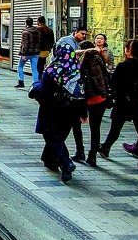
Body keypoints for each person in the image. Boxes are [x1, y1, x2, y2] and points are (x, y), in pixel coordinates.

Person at [29, 42, 86, 183]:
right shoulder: (76, 70)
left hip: (51, 109)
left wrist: (35, 89)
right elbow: (83, 92)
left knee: (51, 136)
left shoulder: (51, 71)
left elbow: (44, 92)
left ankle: (66, 162)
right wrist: (82, 112)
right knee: (58, 137)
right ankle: (50, 160)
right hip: (70, 110)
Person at [99, 40, 138, 172]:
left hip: (123, 101)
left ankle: (105, 148)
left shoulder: (123, 66)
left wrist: (112, 96)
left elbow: (115, 85)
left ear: (127, 50)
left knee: (116, 128)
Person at [80, 41, 112, 166]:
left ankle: (81, 151)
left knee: (78, 126)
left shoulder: (85, 61)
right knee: (95, 128)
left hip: (88, 98)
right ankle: (92, 155)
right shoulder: (99, 59)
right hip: (101, 98)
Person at [15, 18, 40, 88]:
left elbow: (25, 44)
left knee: (20, 66)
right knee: (34, 69)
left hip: (27, 53)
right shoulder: (37, 31)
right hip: (35, 53)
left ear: (26, 23)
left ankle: (21, 82)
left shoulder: (25, 32)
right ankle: (36, 84)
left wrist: (23, 54)